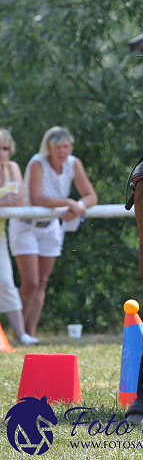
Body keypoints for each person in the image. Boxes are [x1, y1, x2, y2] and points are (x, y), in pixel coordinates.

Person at [9, 127, 97, 338]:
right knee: (30, 281)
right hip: (26, 225)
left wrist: (78, 206)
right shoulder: (38, 163)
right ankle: (19, 332)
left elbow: (91, 196)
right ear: (48, 147)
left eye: (65, 146)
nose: (62, 151)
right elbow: (37, 197)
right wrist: (68, 203)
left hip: (50, 227)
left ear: (70, 147)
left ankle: (29, 333)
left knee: (42, 281)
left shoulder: (74, 163)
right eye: (57, 147)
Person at [0, 129, 38, 344]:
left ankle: (21, 334)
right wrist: (5, 200)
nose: (2, 152)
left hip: (0, 236)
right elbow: (10, 199)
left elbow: (19, 199)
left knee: (6, 281)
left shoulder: (12, 167)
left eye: (5, 148)